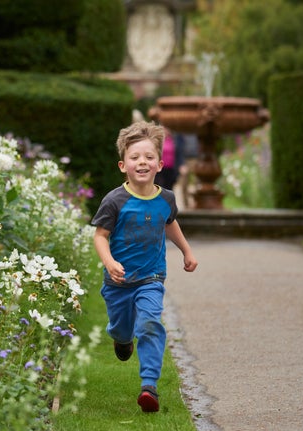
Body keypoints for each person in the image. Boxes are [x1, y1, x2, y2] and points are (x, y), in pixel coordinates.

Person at [91, 120, 198, 413]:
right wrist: (110, 261)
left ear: (160, 164)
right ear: (122, 165)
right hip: (118, 283)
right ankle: (122, 339)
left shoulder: (166, 199)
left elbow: (170, 223)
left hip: (151, 278)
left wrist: (186, 251)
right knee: (122, 329)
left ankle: (149, 386)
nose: (142, 162)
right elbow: (100, 236)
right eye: (135, 157)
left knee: (150, 323)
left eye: (149, 157)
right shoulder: (115, 201)